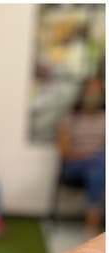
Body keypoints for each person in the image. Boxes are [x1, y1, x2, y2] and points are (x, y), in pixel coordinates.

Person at [57, 76, 105, 237]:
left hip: (99, 167)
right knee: (99, 164)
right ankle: (93, 227)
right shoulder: (70, 118)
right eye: (90, 90)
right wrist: (89, 156)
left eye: (97, 91)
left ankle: (91, 227)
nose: (93, 94)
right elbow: (65, 153)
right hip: (74, 168)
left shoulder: (105, 119)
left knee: (99, 167)